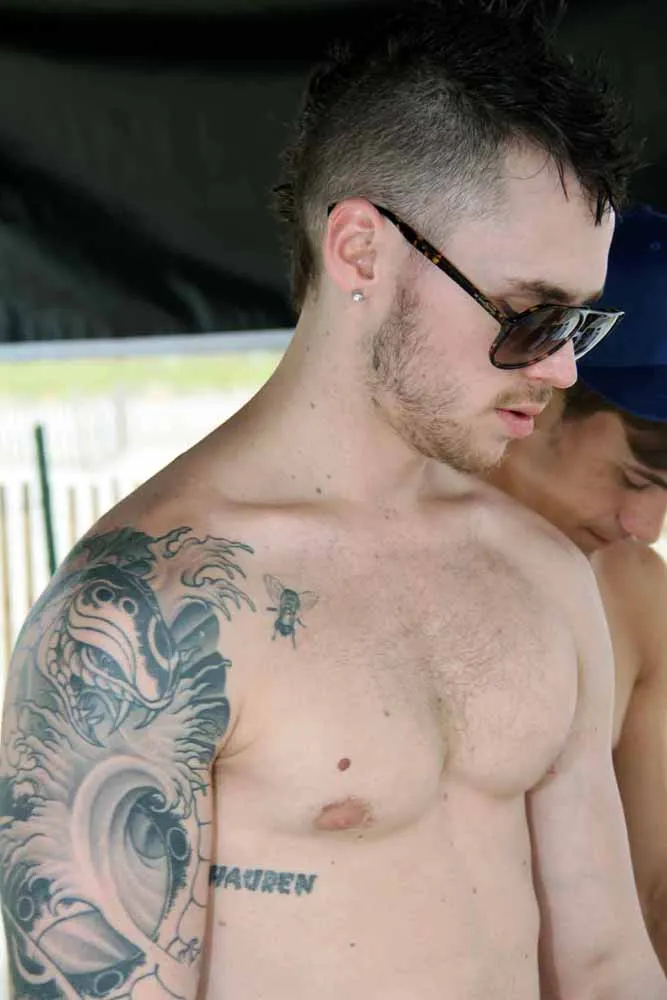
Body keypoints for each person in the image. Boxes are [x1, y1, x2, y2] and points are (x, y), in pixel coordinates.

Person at [0, 2, 663, 998]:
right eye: (528, 315)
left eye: (578, 323)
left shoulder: (543, 570)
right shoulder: (146, 610)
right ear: (360, 251)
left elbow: (606, 964)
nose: (562, 369)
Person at [490, 203, 667, 971]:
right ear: (541, 394)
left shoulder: (632, 591)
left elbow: (654, 890)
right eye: (632, 478)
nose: (644, 527)